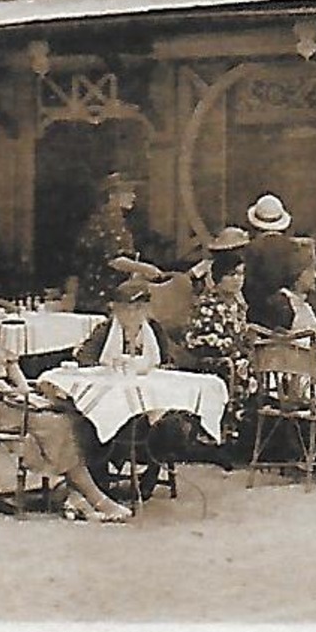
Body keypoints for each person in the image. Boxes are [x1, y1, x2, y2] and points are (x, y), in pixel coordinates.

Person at [0, 281, 131, 521]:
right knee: (54, 425)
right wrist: (13, 392)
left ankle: (75, 495)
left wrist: (25, 388)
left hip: (8, 399)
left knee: (72, 418)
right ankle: (97, 500)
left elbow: (11, 363)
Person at [179, 251, 254, 449]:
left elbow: (243, 336)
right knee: (239, 368)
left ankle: (251, 433)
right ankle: (226, 435)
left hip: (239, 358)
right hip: (212, 360)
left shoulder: (239, 305)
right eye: (232, 275)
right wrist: (229, 350)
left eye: (241, 274)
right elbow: (194, 340)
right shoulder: (207, 305)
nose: (237, 280)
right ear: (219, 278)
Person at [70, 173, 163, 314]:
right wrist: (147, 269)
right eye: (128, 192)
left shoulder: (103, 218)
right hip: (103, 298)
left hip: (92, 297)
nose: (133, 196)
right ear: (112, 196)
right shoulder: (112, 220)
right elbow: (114, 260)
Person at [76, 279, 165, 372]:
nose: (132, 314)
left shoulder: (155, 329)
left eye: (138, 308)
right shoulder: (105, 330)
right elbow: (85, 358)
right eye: (125, 309)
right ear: (115, 310)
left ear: (146, 309)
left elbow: (167, 362)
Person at [243, 193, 304, 328]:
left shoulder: (251, 247)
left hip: (257, 309)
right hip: (288, 307)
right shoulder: (294, 247)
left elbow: (248, 280)